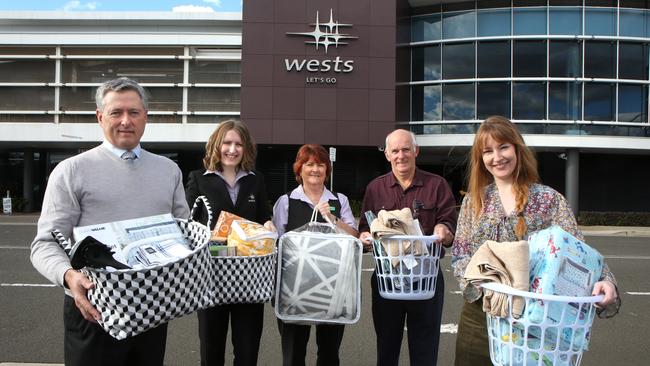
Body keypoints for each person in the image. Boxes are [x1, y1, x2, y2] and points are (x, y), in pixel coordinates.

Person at [30, 77, 190, 366]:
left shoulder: (168, 170)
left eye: (134, 112)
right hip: (93, 310)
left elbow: (185, 232)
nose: (125, 121)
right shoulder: (71, 171)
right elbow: (44, 245)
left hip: (152, 308)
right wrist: (69, 276)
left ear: (146, 117)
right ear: (100, 117)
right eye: (116, 112)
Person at [451, 115, 620, 365]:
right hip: (482, 314)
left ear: (517, 149)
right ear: (481, 159)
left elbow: (579, 252)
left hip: (534, 318)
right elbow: (460, 255)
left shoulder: (548, 200)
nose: (497, 157)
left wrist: (606, 281)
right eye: (488, 151)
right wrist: (487, 284)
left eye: (503, 147)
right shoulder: (474, 201)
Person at [358, 129, 457, 366]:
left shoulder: (437, 185)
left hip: (427, 277)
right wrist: (364, 237)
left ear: (416, 151)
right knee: (387, 348)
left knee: (425, 350)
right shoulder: (375, 188)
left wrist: (443, 230)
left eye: (405, 149)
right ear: (387, 155)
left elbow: (449, 223)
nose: (400, 155)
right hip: (387, 278)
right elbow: (365, 226)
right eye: (395, 151)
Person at [185, 120, 274, 366]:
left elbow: (263, 217)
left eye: (238, 144)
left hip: (249, 278)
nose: (232, 149)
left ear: (246, 148)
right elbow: (189, 225)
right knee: (211, 352)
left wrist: (268, 226)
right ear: (216, 145)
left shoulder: (256, 180)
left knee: (247, 353)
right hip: (211, 278)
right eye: (227, 143)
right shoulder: (198, 179)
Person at [272, 144, 359, 366]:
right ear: (299, 169)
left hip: (333, 288)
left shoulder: (339, 200)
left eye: (320, 165)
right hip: (293, 290)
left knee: (329, 354)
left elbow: (354, 237)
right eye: (309, 164)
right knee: (293, 355)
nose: (315, 170)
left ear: (327, 170)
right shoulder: (286, 201)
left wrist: (333, 218)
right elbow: (277, 243)